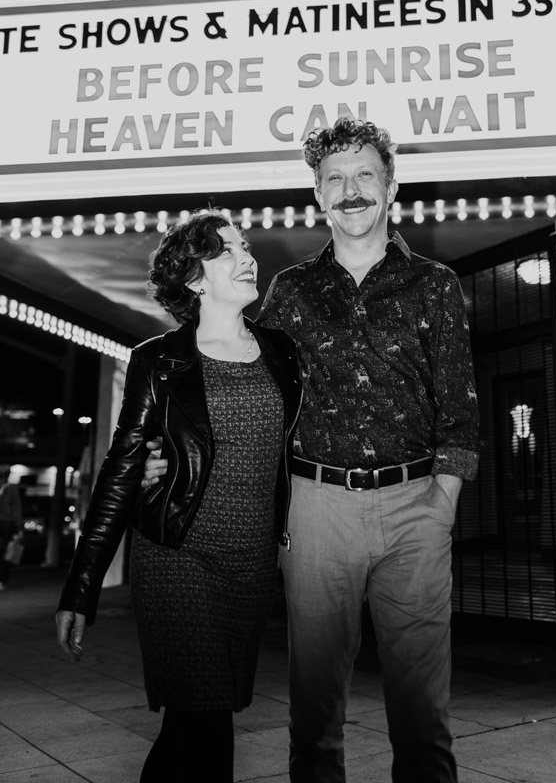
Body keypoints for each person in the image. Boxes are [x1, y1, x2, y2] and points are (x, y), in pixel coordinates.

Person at [145, 119, 480, 782]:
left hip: (417, 508)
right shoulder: (291, 292)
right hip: (317, 508)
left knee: (422, 714)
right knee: (314, 712)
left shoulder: (435, 284)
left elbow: (459, 405)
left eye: (363, 176)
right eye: (334, 179)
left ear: (389, 186)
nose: (350, 190)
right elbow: (238, 374)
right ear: (317, 195)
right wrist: (170, 446)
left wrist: (443, 497)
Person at [56, 210, 302, 783]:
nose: (247, 257)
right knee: (207, 725)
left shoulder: (283, 353)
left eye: (244, 246)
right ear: (194, 279)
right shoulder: (157, 361)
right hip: (177, 559)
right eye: (226, 252)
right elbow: (121, 470)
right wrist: (82, 586)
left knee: (189, 726)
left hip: (250, 567)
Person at [0, 465, 24, 590]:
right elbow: (16, 511)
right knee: (7, 552)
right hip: (7, 524)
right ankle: (2, 580)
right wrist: (19, 528)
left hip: (6, 523)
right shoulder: (12, 489)